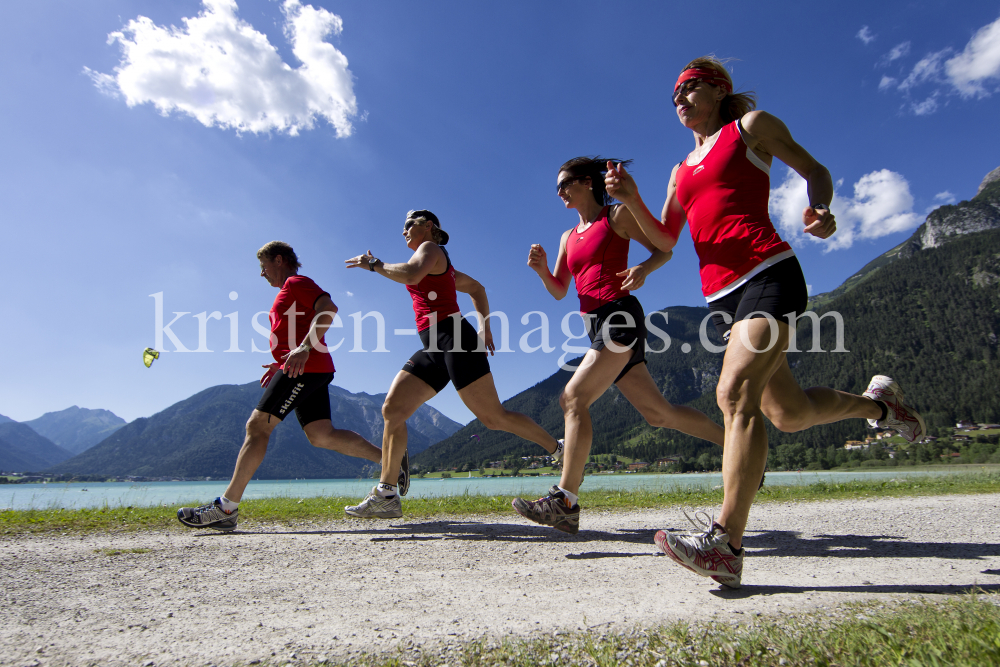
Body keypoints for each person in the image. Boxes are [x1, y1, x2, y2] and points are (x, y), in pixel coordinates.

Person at [606, 57, 926, 587]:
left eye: (688, 90)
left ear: (717, 90)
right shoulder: (679, 170)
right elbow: (666, 238)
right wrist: (630, 200)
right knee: (790, 412)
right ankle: (880, 405)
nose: (679, 101)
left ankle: (726, 544)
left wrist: (819, 209)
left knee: (732, 394)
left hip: (769, 273)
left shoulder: (749, 129)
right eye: (674, 97)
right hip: (721, 297)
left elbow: (814, 171)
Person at [511, 157, 725, 535]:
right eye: (557, 187)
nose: (559, 191)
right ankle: (733, 443)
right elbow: (560, 290)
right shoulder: (567, 237)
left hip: (620, 316)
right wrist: (543, 270)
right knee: (658, 413)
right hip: (595, 325)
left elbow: (664, 248)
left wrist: (643, 269)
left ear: (588, 183)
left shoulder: (617, 217)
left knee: (573, 398)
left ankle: (565, 501)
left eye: (566, 184)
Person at [343, 210, 563, 518]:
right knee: (393, 409)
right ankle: (387, 494)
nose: (404, 231)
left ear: (428, 226)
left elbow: (410, 274)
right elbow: (477, 288)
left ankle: (558, 449)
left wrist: (374, 264)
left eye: (410, 224)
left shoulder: (430, 250)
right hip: (433, 345)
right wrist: (485, 325)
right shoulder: (441, 266)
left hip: (456, 338)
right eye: (403, 227)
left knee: (493, 417)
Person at [177, 241, 391, 531]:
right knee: (321, 434)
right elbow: (297, 328)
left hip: (304, 367)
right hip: (305, 367)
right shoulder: (288, 291)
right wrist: (280, 362)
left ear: (279, 260)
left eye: (263, 266)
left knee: (257, 427)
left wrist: (303, 348)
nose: (262, 274)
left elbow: (328, 308)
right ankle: (390, 461)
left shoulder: (296, 282)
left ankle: (226, 508)